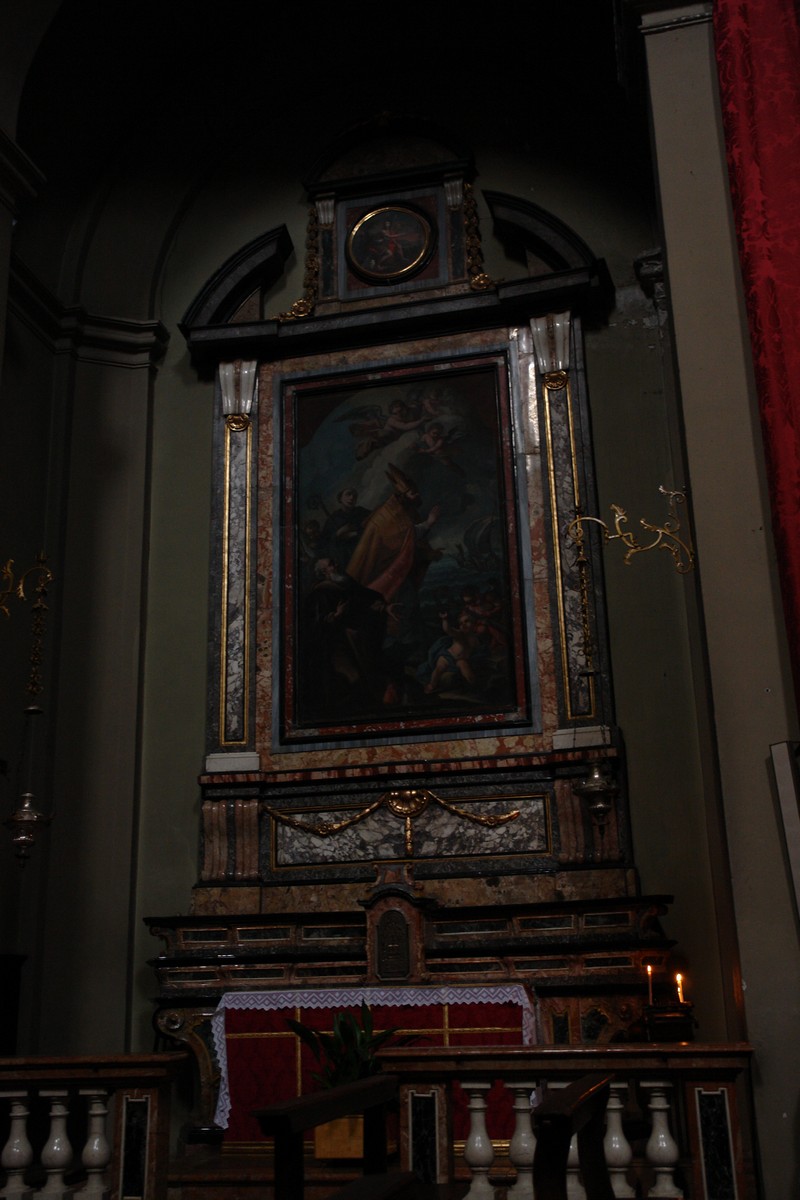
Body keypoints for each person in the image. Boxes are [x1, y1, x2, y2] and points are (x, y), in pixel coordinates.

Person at [346, 463, 441, 607]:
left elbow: (409, 539)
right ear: (403, 495)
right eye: (413, 493)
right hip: (383, 570)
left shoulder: (405, 510)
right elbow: (402, 538)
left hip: (396, 569)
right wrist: (429, 523)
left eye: (416, 492)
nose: (417, 495)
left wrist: (427, 552)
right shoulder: (388, 513)